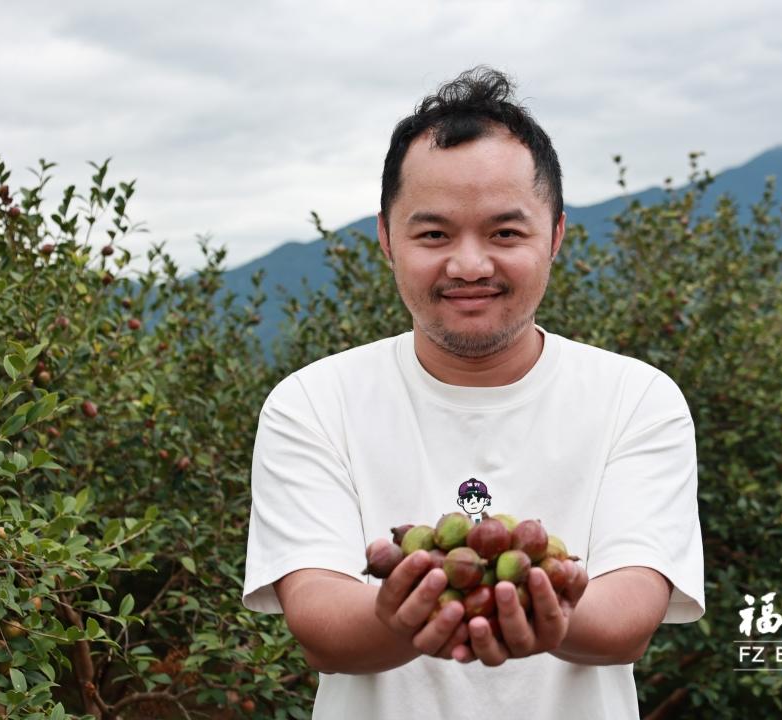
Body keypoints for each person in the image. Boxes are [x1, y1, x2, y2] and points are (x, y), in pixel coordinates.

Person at [242, 66, 704, 720]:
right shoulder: (313, 403)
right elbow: (322, 624)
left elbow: (628, 616)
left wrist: (499, 604)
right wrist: (428, 607)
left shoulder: (636, 399)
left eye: (505, 233)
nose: (468, 264)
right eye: (433, 234)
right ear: (386, 240)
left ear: (556, 237)